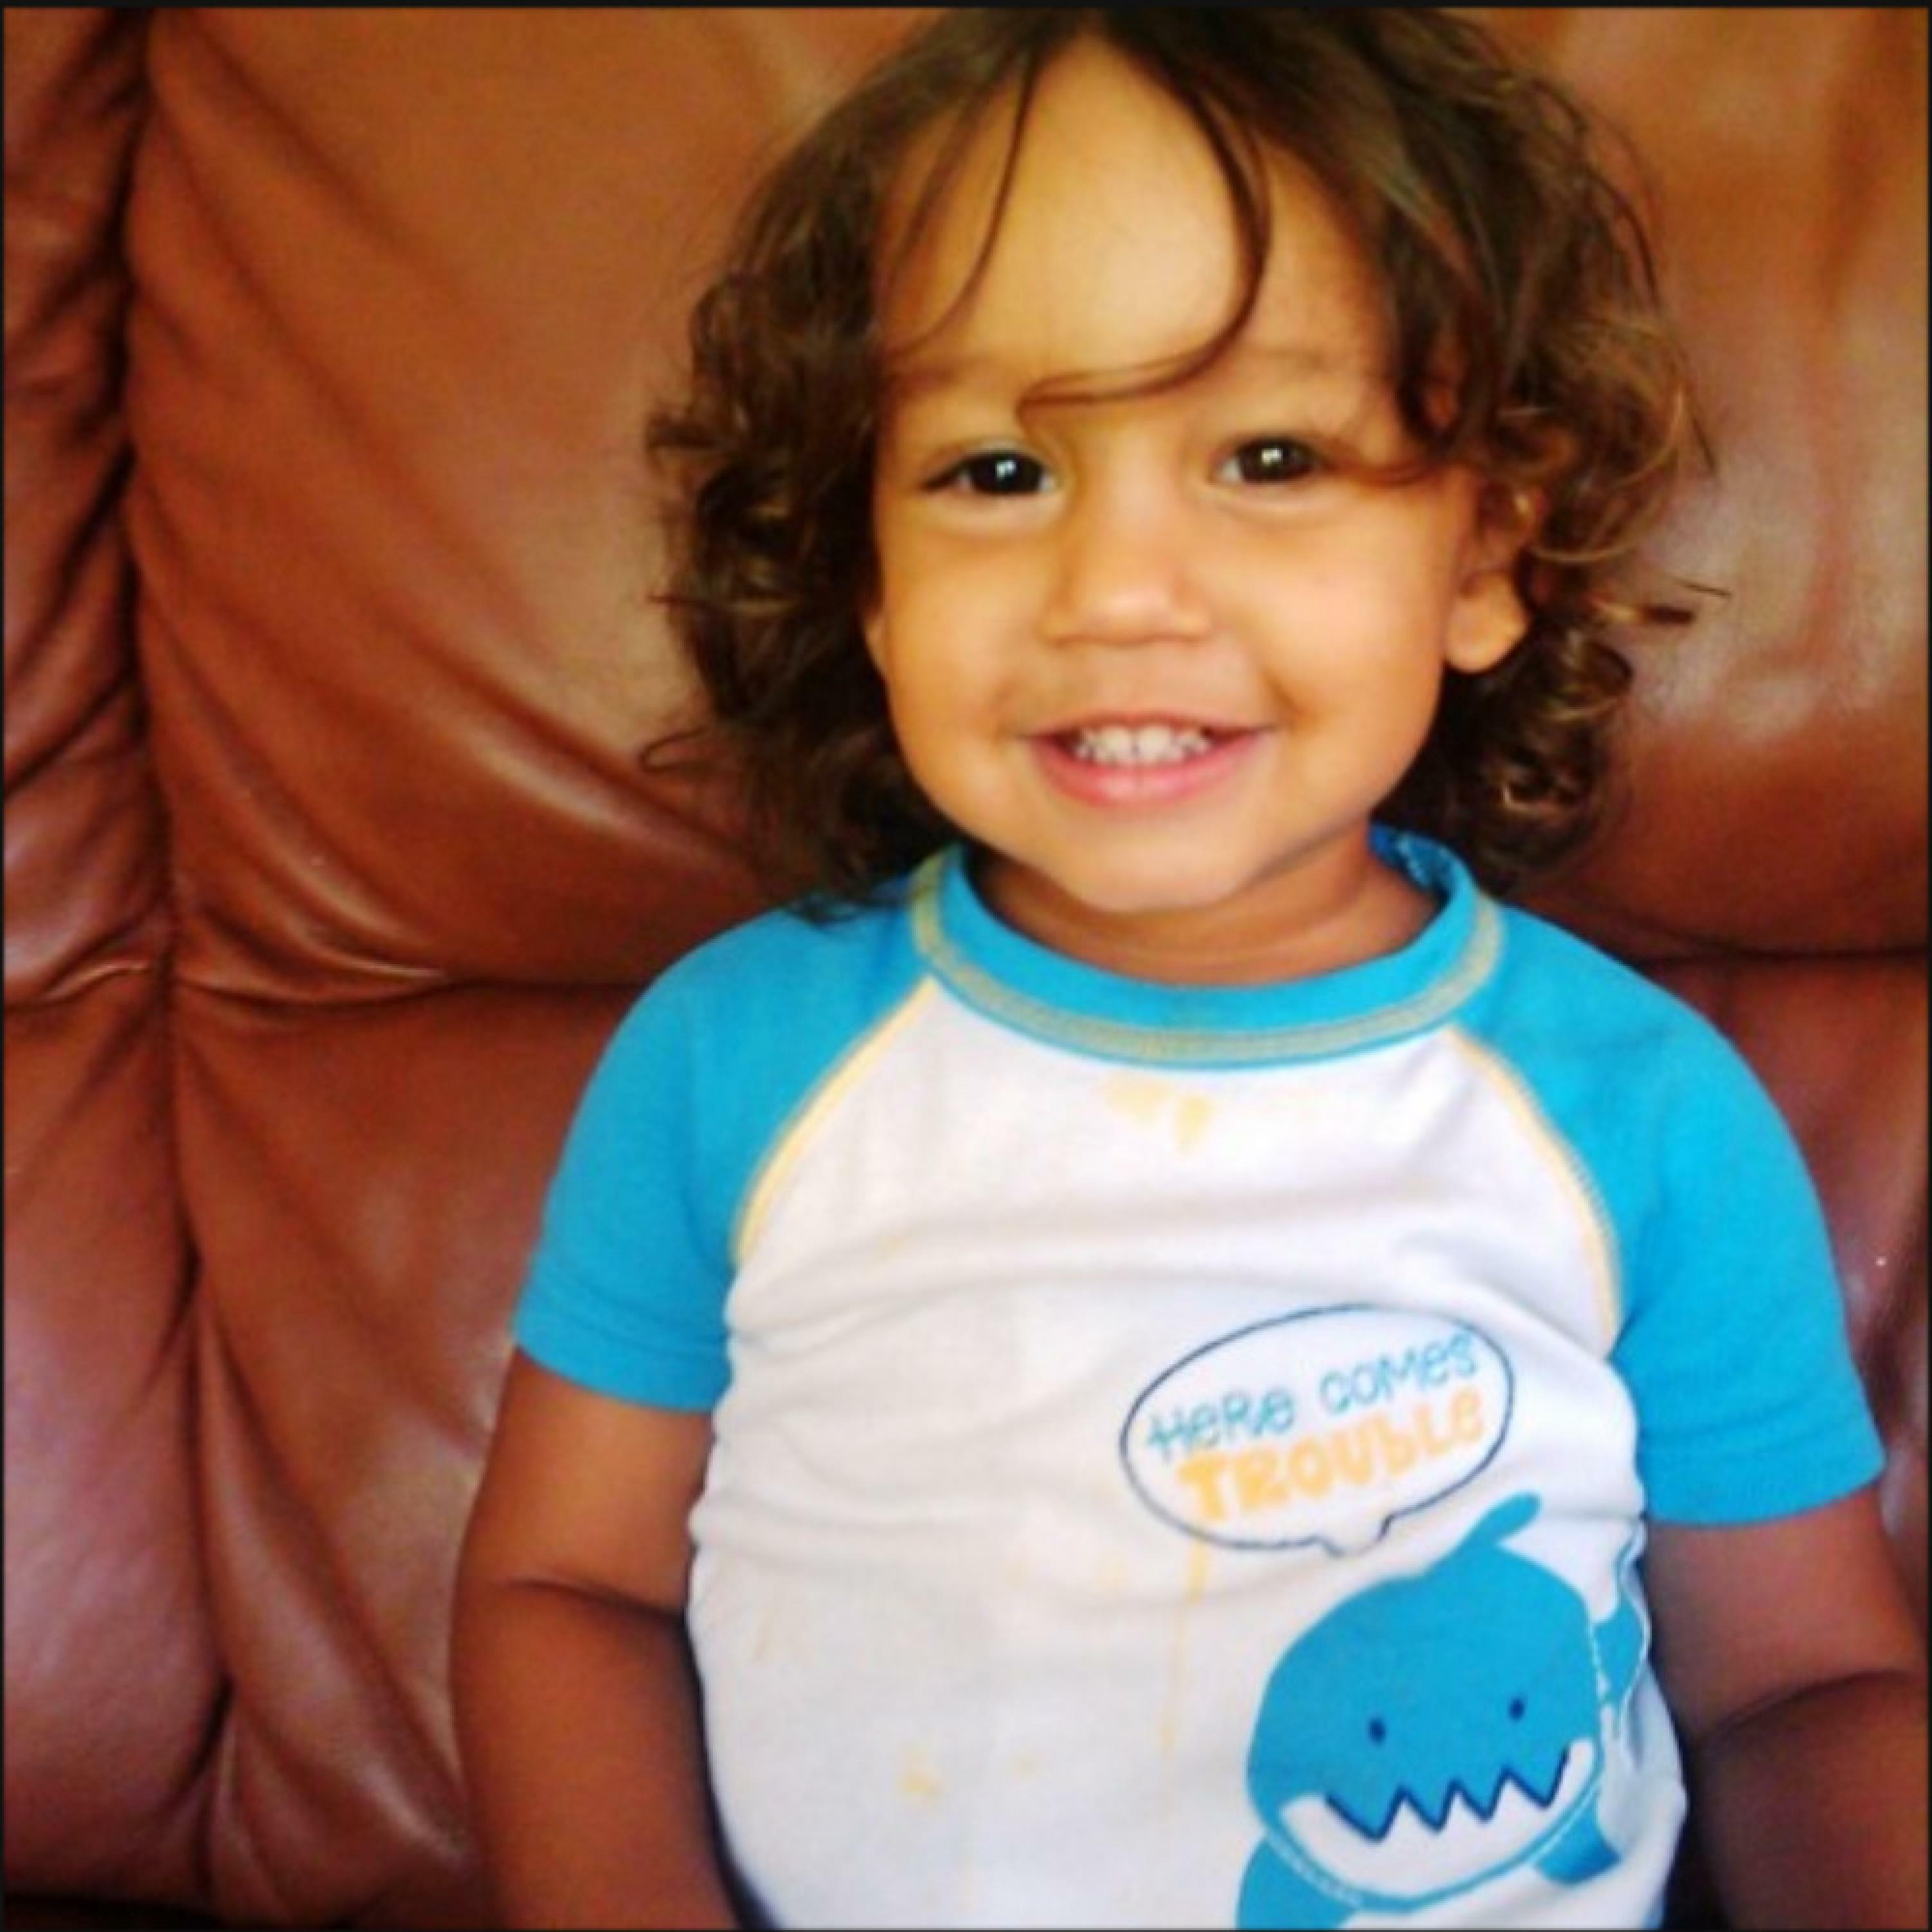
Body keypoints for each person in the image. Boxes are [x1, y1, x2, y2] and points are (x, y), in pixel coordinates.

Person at [450, 11, 1928, 1929]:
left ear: (1487, 550)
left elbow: (1805, 1689)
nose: (1118, 595)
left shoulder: (1640, 1117)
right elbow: (565, 1590)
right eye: (997, 470)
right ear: (867, 578)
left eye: (1269, 454)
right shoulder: (731, 1064)